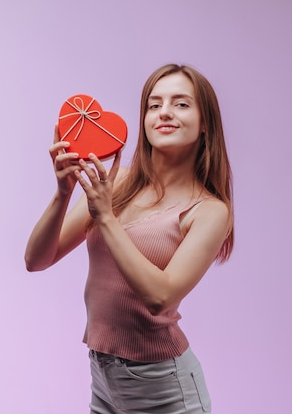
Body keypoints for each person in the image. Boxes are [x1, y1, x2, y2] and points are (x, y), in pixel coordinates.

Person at [24, 63, 234, 414]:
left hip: (163, 387)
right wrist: (63, 193)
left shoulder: (209, 211)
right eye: (154, 105)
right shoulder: (116, 183)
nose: (164, 112)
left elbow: (160, 297)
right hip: (103, 374)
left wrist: (105, 217)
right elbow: (36, 260)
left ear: (205, 125)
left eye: (181, 104)